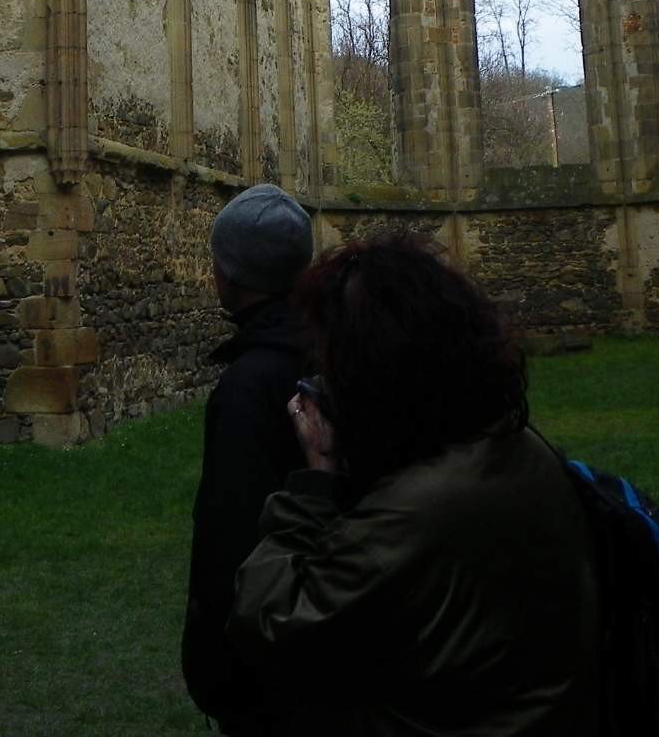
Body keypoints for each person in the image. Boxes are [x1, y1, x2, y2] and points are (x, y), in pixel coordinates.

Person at [226, 237, 601, 736]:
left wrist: (317, 475)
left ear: (375, 370)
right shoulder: (517, 445)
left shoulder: (413, 514)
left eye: (333, 358)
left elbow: (271, 620)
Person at [181, 183, 313, 734]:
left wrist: (216, 671)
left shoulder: (247, 387)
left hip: (260, 667)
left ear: (229, 276)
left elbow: (230, 538)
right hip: (322, 641)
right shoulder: (330, 354)